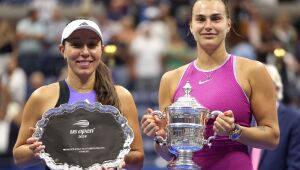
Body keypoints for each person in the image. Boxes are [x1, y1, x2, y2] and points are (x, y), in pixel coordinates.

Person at [141, 0, 279, 170]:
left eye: (215, 19)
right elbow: (169, 154)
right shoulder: (170, 79)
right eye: (200, 19)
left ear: (228, 24)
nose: (208, 26)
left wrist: (234, 131)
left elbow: (272, 137)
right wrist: (159, 136)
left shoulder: (253, 71)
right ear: (191, 26)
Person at [13, 19, 144, 170]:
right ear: (63, 50)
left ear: (101, 49)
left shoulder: (122, 96)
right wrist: (37, 149)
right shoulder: (41, 97)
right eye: (76, 44)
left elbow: (138, 160)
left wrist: (116, 157)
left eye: (92, 45)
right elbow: (18, 157)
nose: (85, 52)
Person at [253, 65, 300, 170]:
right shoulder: (248, 118)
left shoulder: (294, 120)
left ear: (277, 89)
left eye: (264, 83)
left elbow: (295, 165)